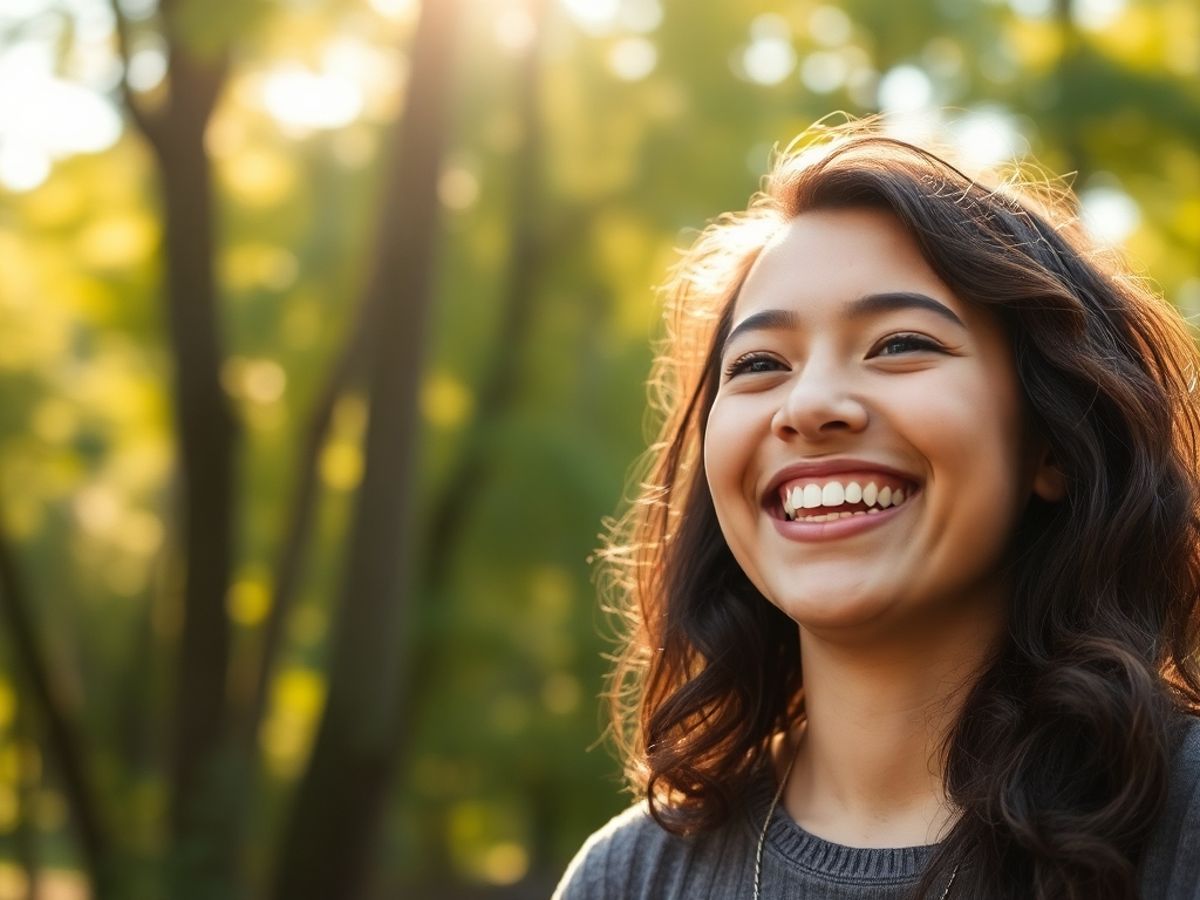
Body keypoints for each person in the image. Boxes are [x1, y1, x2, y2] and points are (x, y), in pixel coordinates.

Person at [552, 121, 1200, 900]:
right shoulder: (627, 880)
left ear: (1051, 444)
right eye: (760, 364)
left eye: (898, 344)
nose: (810, 404)